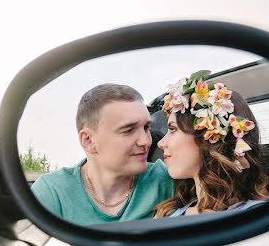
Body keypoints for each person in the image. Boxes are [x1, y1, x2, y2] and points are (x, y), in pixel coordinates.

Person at [31, 83, 173, 223]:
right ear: (88, 140)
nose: (146, 141)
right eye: (128, 130)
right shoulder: (52, 193)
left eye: (146, 127)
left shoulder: (165, 180)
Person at [154, 70, 269, 217]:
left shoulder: (258, 215)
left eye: (172, 129)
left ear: (209, 137)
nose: (160, 143)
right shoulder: (166, 213)